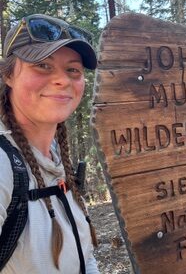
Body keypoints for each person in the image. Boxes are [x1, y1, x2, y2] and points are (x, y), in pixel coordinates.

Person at [0, 14, 100, 273]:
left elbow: (84, 255)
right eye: (43, 65)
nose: (63, 80)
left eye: (73, 69)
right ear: (8, 75)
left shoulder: (57, 157)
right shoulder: (3, 164)